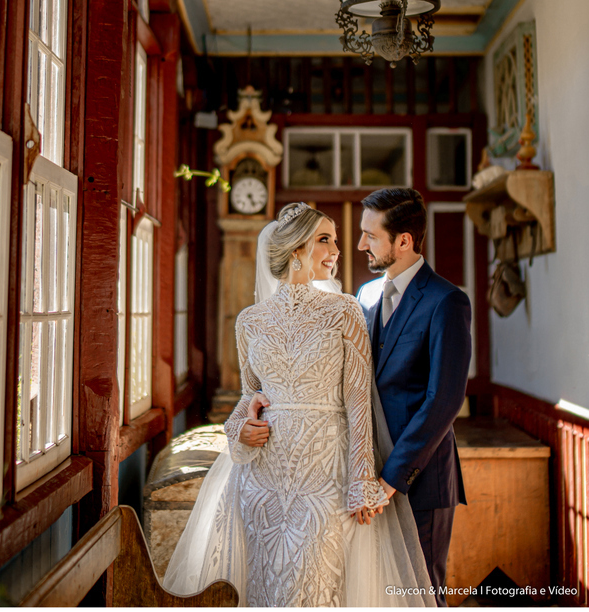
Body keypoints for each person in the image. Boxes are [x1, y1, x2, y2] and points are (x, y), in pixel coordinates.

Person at [163, 202, 435, 607]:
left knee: (315, 587)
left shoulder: (345, 312)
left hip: (324, 478)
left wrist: (361, 480)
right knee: (265, 587)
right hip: (261, 480)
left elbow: (358, 400)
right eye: (325, 239)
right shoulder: (249, 321)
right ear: (295, 251)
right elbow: (249, 397)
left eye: (337, 241)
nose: (337, 250)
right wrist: (240, 428)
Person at [356, 187, 472, 606]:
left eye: (371, 235)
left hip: (418, 481)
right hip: (366, 479)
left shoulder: (447, 302)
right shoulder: (365, 296)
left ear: (404, 240)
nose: (360, 244)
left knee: (419, 593)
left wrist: (392, 479)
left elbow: (444, 399)